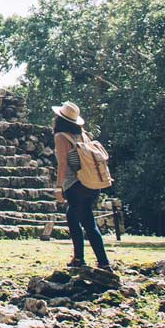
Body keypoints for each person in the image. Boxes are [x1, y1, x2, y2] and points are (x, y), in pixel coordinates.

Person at [52, 101, 111, 272]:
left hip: (75, 185)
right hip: (92, 185)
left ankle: (104, 262)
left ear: (59, 119)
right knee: (72, 216)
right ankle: (78, 258)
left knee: (88, 223)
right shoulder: (83, 135)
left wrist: (58, 188)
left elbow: (63, 164)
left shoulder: (61, 137)